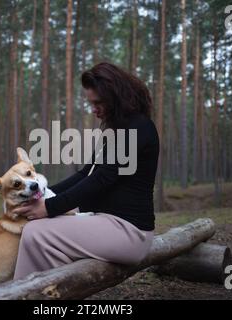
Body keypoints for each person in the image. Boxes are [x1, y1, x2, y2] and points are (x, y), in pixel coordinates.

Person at [12, 62, 159, 280]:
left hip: (129, 232)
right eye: (91, 103)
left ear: (116, 97)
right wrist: (43, 195)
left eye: (98, 102)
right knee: (36, 230)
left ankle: (41, 294)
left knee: (36, 233)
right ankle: (40, 293)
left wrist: (50, 207)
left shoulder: (137, 127)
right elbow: (86, 174)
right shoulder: (118, 130)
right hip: (106, 223)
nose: (93, 109)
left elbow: (102, 178)